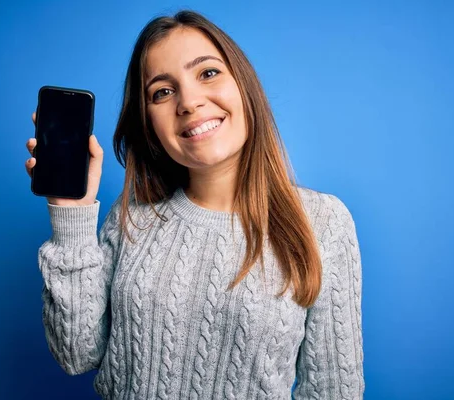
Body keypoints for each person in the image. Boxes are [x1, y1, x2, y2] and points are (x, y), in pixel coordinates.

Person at [25, 10, 364, 400]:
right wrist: (73, 215)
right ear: (149, 122)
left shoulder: (324, 222)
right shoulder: (132, 215)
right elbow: (75, 354)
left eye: (207, 73)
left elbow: (334, 391)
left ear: (244, 85)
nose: (188, 102)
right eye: (162, 92)